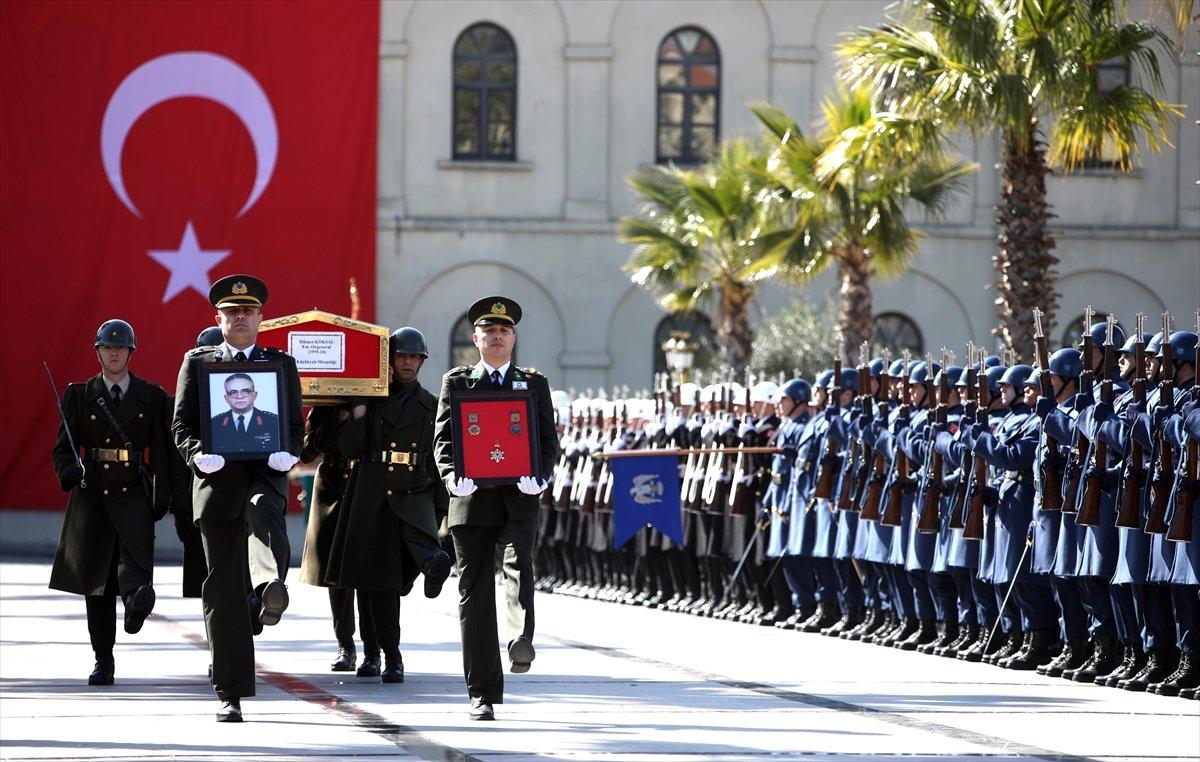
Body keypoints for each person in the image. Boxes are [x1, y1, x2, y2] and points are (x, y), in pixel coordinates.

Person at [172, 274, 303, 722]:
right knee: (222, 589)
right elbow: (181, 426)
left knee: (263, 513)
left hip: (263, 478)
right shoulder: (199, 363)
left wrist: (291, 453)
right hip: (216, 485)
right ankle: (230, 689)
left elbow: (295, 427)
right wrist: (197, 454)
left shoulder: (279, 366)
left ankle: (268, 587)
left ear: (261, 318)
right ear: (219, 319)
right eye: (232, 312)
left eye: (248, 311)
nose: (241, 317)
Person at [433, 296, 559, 721]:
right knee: (473, 594)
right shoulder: (458, 382)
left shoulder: (533, 385)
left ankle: (519, 638)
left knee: (519, 564)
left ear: (514, 338)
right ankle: (481, 691)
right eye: (489, 330)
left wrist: (540, 476)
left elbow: (546, 443)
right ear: (476, 338)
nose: (497, 336)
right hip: (471, 500)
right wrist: (452, 476)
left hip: (518, 498)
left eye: (504, 330)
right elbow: (444, 442)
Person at [325, 326, 453, 684]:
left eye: (414, 357)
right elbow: (350, 450)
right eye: (402, 356)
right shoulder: (372, 399)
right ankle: (378, 654)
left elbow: (436, 458)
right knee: (371, 579)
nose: (408, 363)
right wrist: (360, 412)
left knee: (391, 577)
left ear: (422, 361)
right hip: (370, 492)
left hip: (412, 491)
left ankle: (433, 564)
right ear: (390, 361)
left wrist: (440, 507)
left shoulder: (431, 404)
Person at [49, 319, 172, 685]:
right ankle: (103, 660)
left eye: (121, 348)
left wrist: (161, 495)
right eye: (108, 347)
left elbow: (162, 454)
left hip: (133, 491)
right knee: (97, 585)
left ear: (131, 353)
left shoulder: (151, 397)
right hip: (93, 494)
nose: (114, 353)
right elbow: (62, 447)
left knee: (133, 566)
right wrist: (69, 471)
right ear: (98, 351)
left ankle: (136, 603)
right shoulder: (79, 395)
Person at [209, 373, 280, 453]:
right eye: (233, 392)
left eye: (246, 391)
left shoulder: (273, 422)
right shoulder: (214, 424)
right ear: (226, 398)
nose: (239, 396)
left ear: (254, 395)